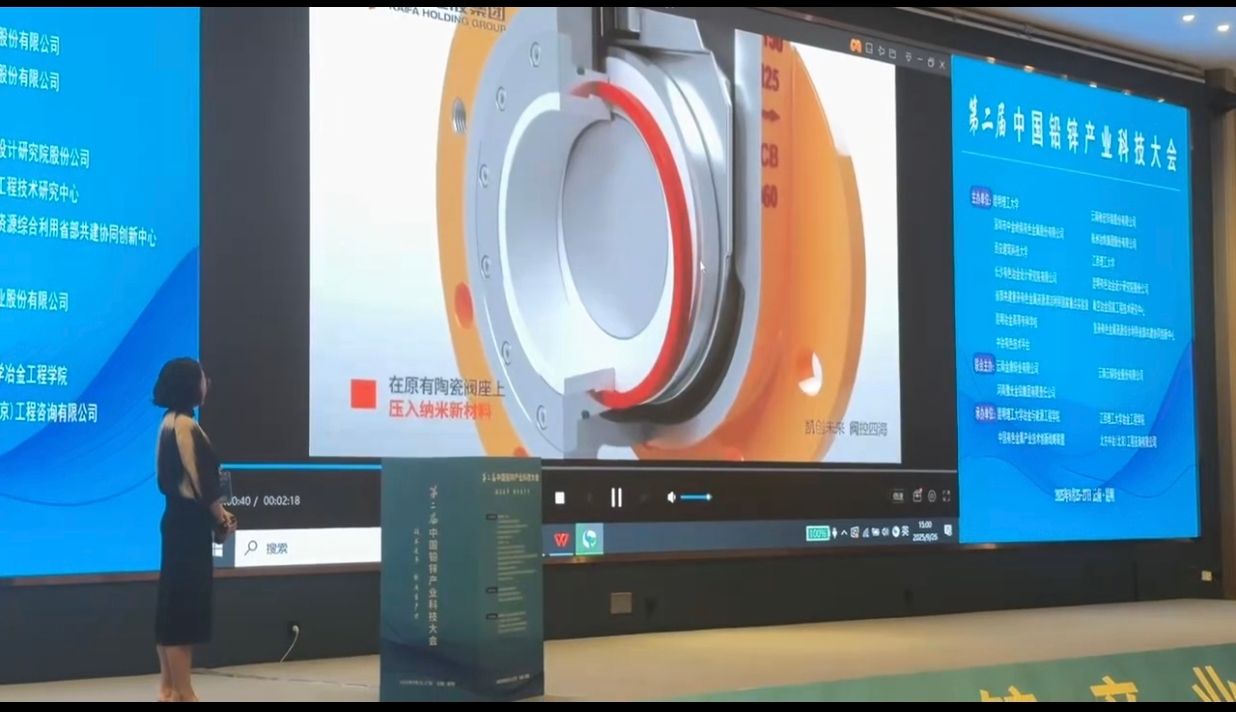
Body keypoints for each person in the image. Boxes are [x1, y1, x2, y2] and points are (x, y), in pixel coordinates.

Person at [151, 358, 236, 702]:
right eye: (202, 378)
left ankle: (169, 688)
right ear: (190, 385)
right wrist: (222, 518)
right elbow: (203, 483)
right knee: (184, 611)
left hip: (175, 520)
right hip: (190, 525)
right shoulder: (186, 426)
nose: (207, 384)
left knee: (171, 607)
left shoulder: (167, 422)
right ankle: (185, 692)